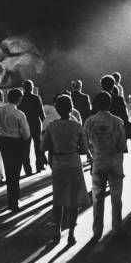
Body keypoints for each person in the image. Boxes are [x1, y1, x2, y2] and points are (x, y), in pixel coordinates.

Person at [41, 95, 90, 245]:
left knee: (58, 199)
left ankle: (56, 231)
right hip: (74, 163)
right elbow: (83, 150)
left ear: (56, 108)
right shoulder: (77, 127)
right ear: (71, 108)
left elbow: (42, 147)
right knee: (73, 200)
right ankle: (71, 234)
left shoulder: (52, 126)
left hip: (57, 164)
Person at [84, 92, 127, 243]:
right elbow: (122, 145)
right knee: (116, 197)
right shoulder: (117, 121)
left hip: (98, 160)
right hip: (114, 160)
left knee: (97, 197)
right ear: (110, 104)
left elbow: (86, 144)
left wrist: (94, 153)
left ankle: (97, 230)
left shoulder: (90, 121)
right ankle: (117, 228)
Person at [0, 89, 31, 211]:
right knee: (15, 174)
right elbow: (26, 134)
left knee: (9, 171)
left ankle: (11, 200)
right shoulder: (19, 114)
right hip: (16, 143)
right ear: (19, 99)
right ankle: (14, 202)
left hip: (3, 142)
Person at [18, 80, 46, 174]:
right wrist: (45, 125)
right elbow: (41, 114)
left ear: (23, 88)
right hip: (35, 125)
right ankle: (39, 166)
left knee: (25, 148)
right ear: (31, 87)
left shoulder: (20, 99)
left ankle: (27, 170)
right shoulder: (36, 98)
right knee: (38, 146)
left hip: (24, 126)